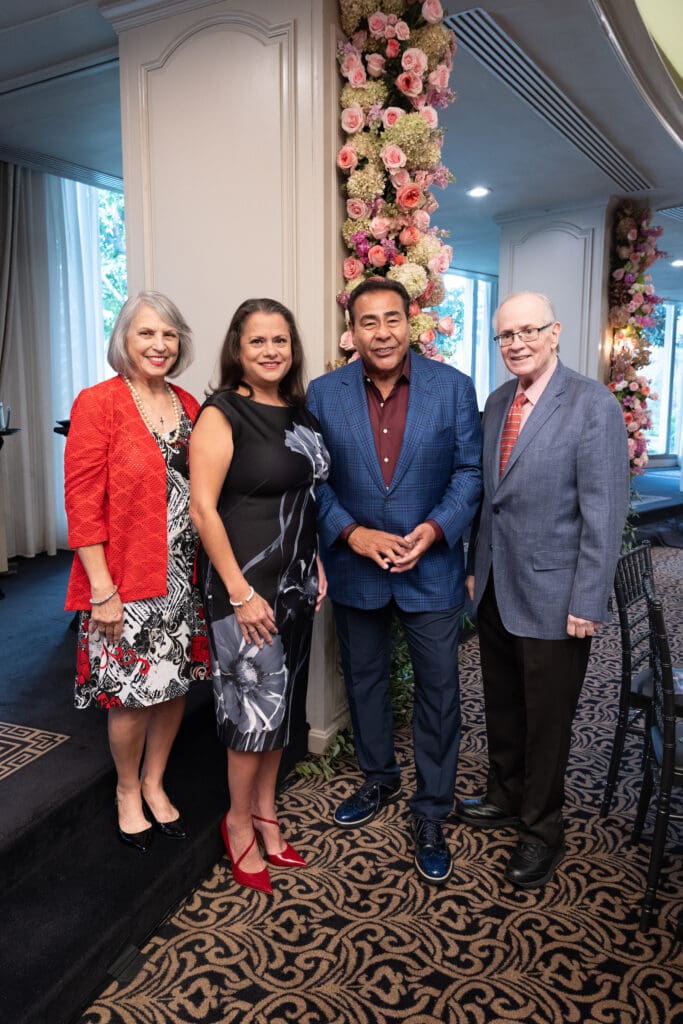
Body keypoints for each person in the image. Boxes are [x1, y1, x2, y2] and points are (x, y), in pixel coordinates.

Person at [307, 277, 482, 886]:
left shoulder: (454, 388)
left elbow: (469, 472)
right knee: (365, 682)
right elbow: (314, 480)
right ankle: (378, 779)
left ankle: (433, 810)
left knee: (439, 695)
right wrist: (352, 534)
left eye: (392, 320)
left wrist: (434, 531)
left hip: (429, 566)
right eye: (367, 322)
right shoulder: (323, 394)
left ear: (411, 322)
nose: (381, 333)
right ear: (351, 330)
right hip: (357, 565)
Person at [459, 290, 630, 888]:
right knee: (503, 705)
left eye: (529, 331)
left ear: (556, 332)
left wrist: (588, 599)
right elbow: (491, 497)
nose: (517, 343)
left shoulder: (593, 404)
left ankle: (541, 830)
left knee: (548, 720)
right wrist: (477, 566)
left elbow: (604, 512)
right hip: (497, 586)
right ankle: (505, 794)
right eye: (506, 335)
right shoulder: (497, 400)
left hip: (559, 599)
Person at [189, 298, 329, 895]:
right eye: (258, 342)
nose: (271, 351)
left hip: (295, 584)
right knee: (251, 715)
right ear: (237, 350)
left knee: (280, 711)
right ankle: (238, 823)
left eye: (281, 340)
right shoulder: (224, 413)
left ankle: (268, 816)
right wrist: (241, 592)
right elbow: (203, 508)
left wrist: (315, 560)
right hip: (244, 587)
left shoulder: (301, 413)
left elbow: (304, 496)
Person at [65, 290, 206, 853]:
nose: (159, 344)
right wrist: (102, 588)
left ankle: (154, 780)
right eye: (147, 333)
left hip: (181, 578)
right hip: (123, 582)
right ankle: (127, 788)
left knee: (171, 688)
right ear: (124, 338)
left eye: (169, 334)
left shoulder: (190, 405)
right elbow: (81, 502)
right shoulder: (99, 402)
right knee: (128, 695)